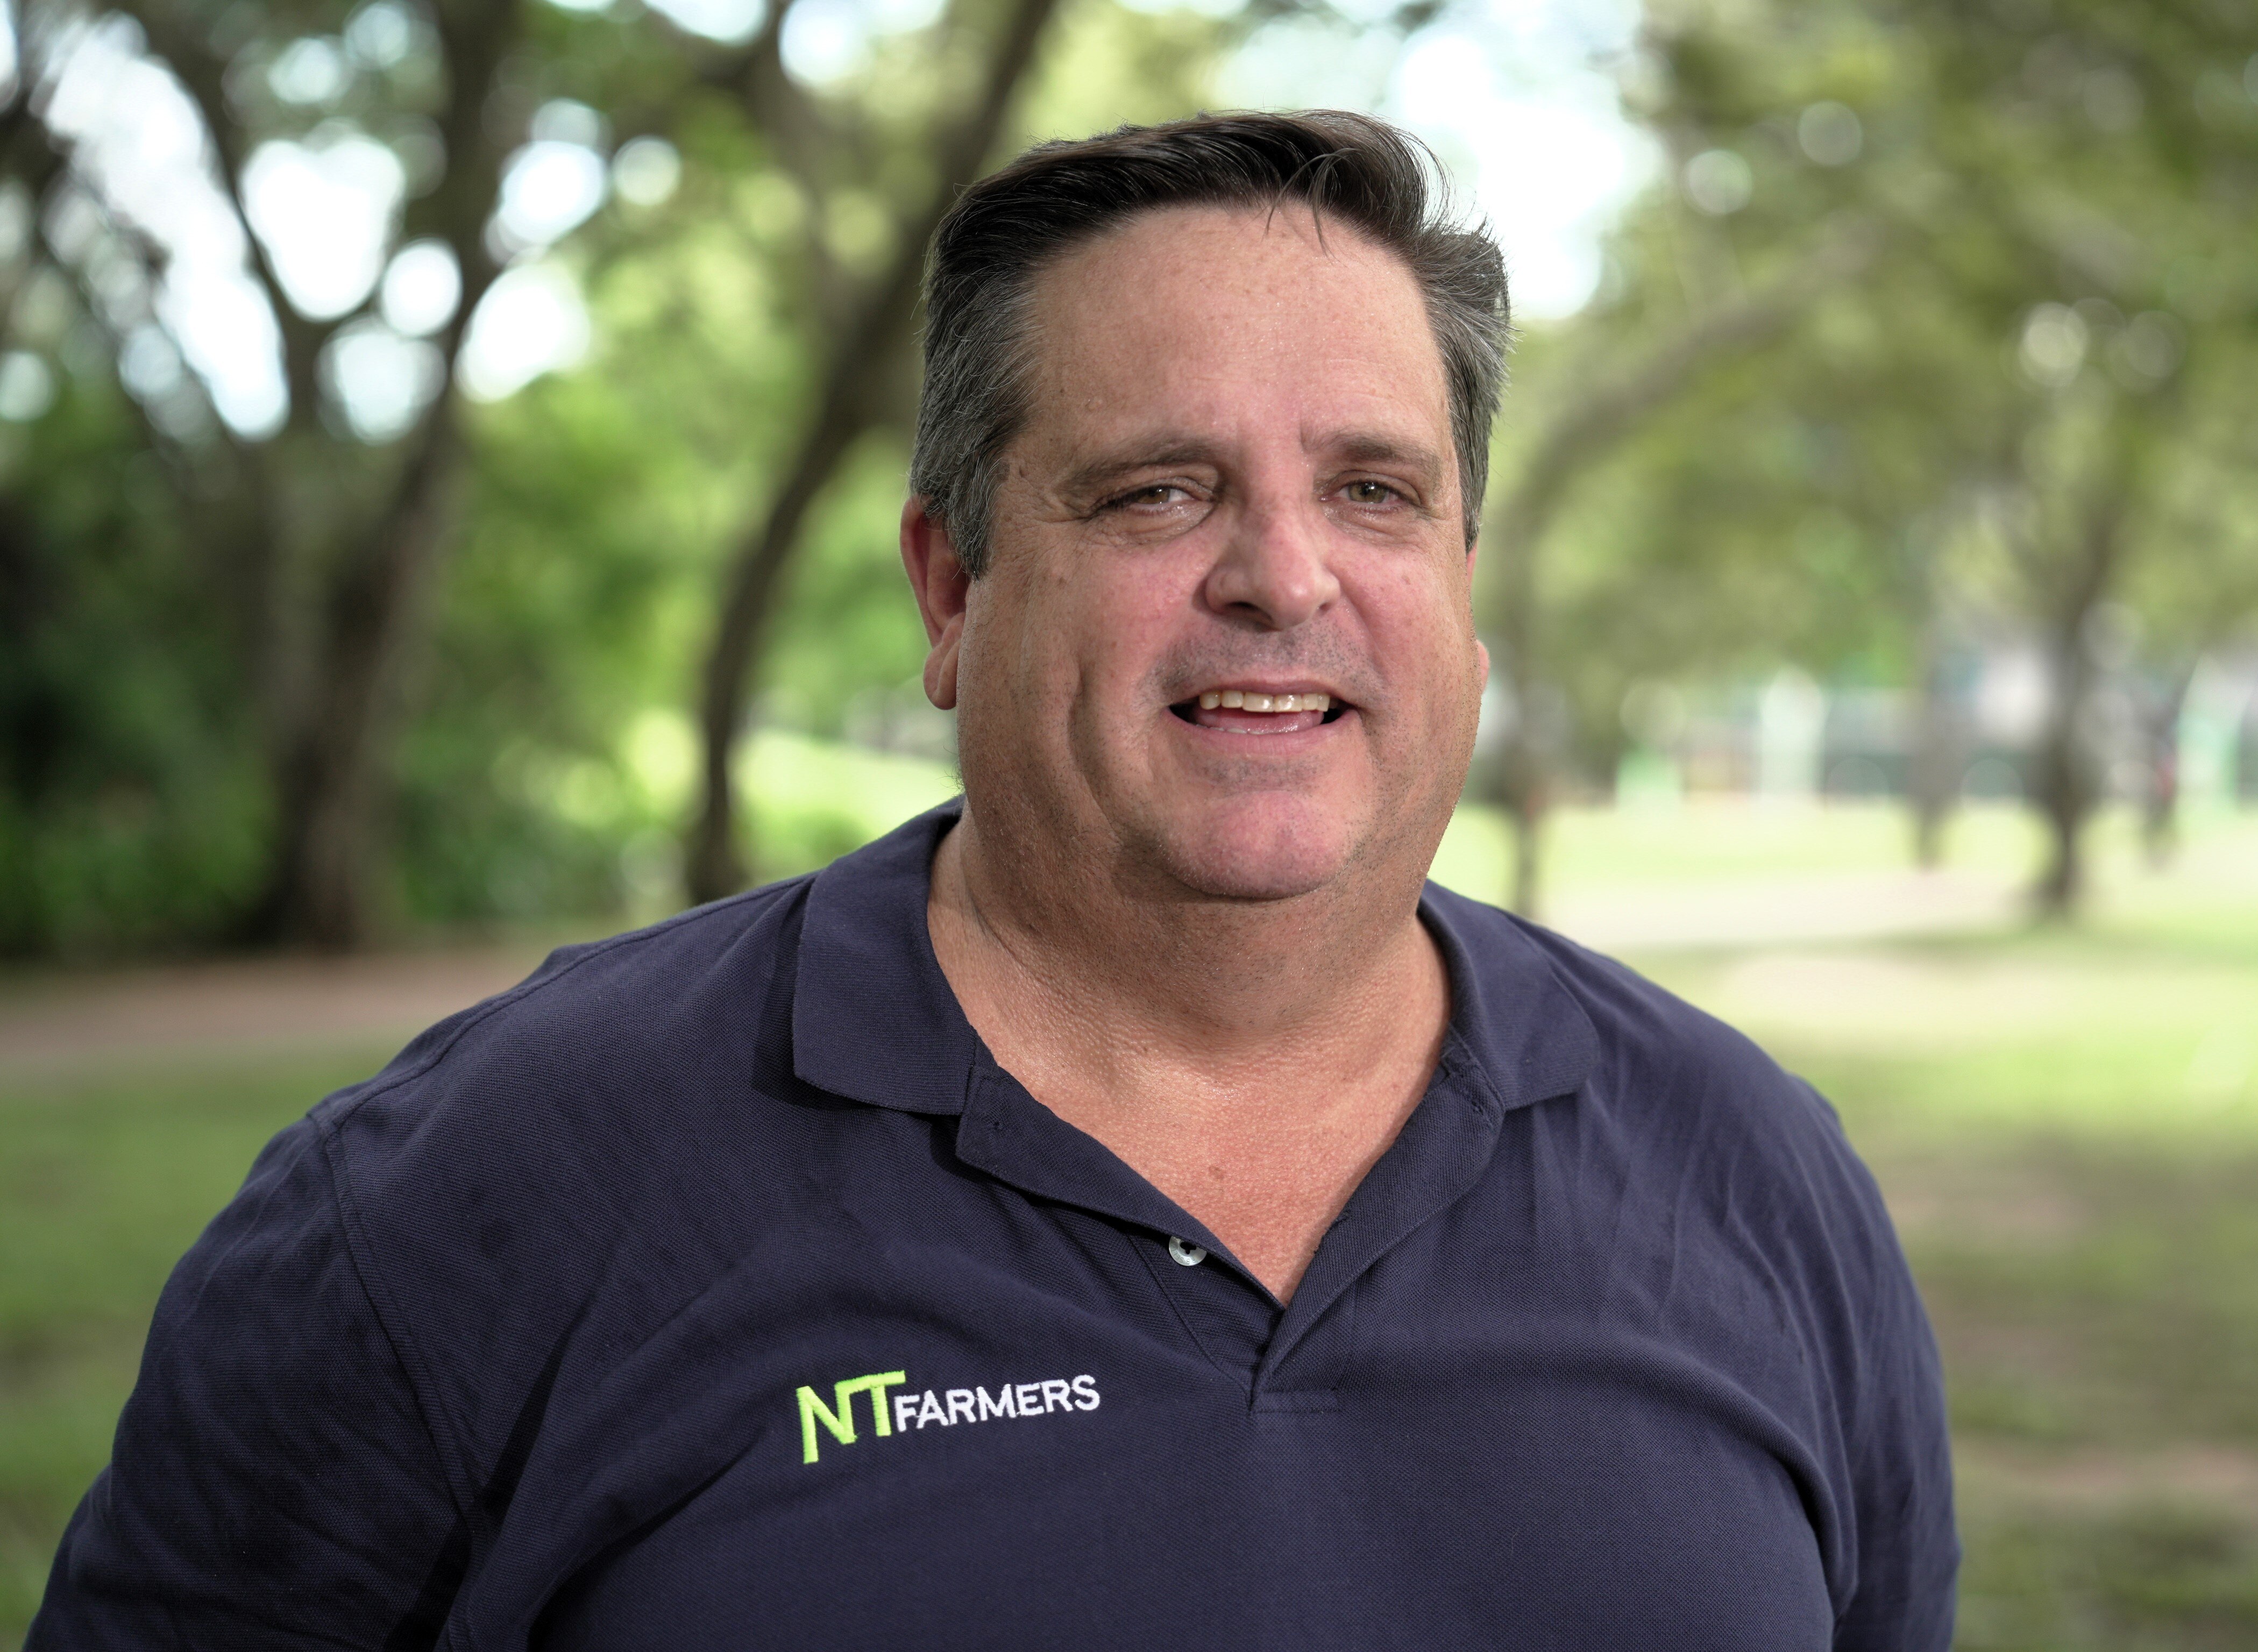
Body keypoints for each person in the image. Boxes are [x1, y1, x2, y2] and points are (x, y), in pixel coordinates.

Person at [32, 111, 1956, 1649]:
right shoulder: (475, 1194)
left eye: (1375, 491)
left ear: (1458, 584)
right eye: (1158, 491)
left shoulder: (1752, 1179)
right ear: (952, 589)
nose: (1284, 576)